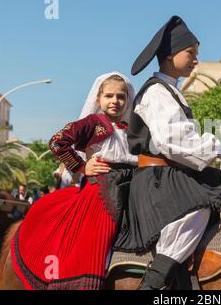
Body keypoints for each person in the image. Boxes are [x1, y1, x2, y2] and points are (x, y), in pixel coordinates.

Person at [112, 15, 221, 290]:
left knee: (219, 188)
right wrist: (220, 149)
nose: (195, 59)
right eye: (190, 53)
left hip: (167, 175)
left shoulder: (169, 90)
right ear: (170, 55)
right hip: (157, 180)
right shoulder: (157, 92)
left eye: (197, 54)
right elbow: (175, 141)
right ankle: (154, 283)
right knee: (199, 208)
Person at [10, 72, 137, 290]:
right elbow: (57, 142)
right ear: (98, 99)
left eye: (121, 96)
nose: (115, 101)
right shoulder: (92, 123)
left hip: (133, 186)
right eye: (109, 96)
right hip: (102, 191)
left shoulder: (133, 128)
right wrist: (81, 167)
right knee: (99, 239)